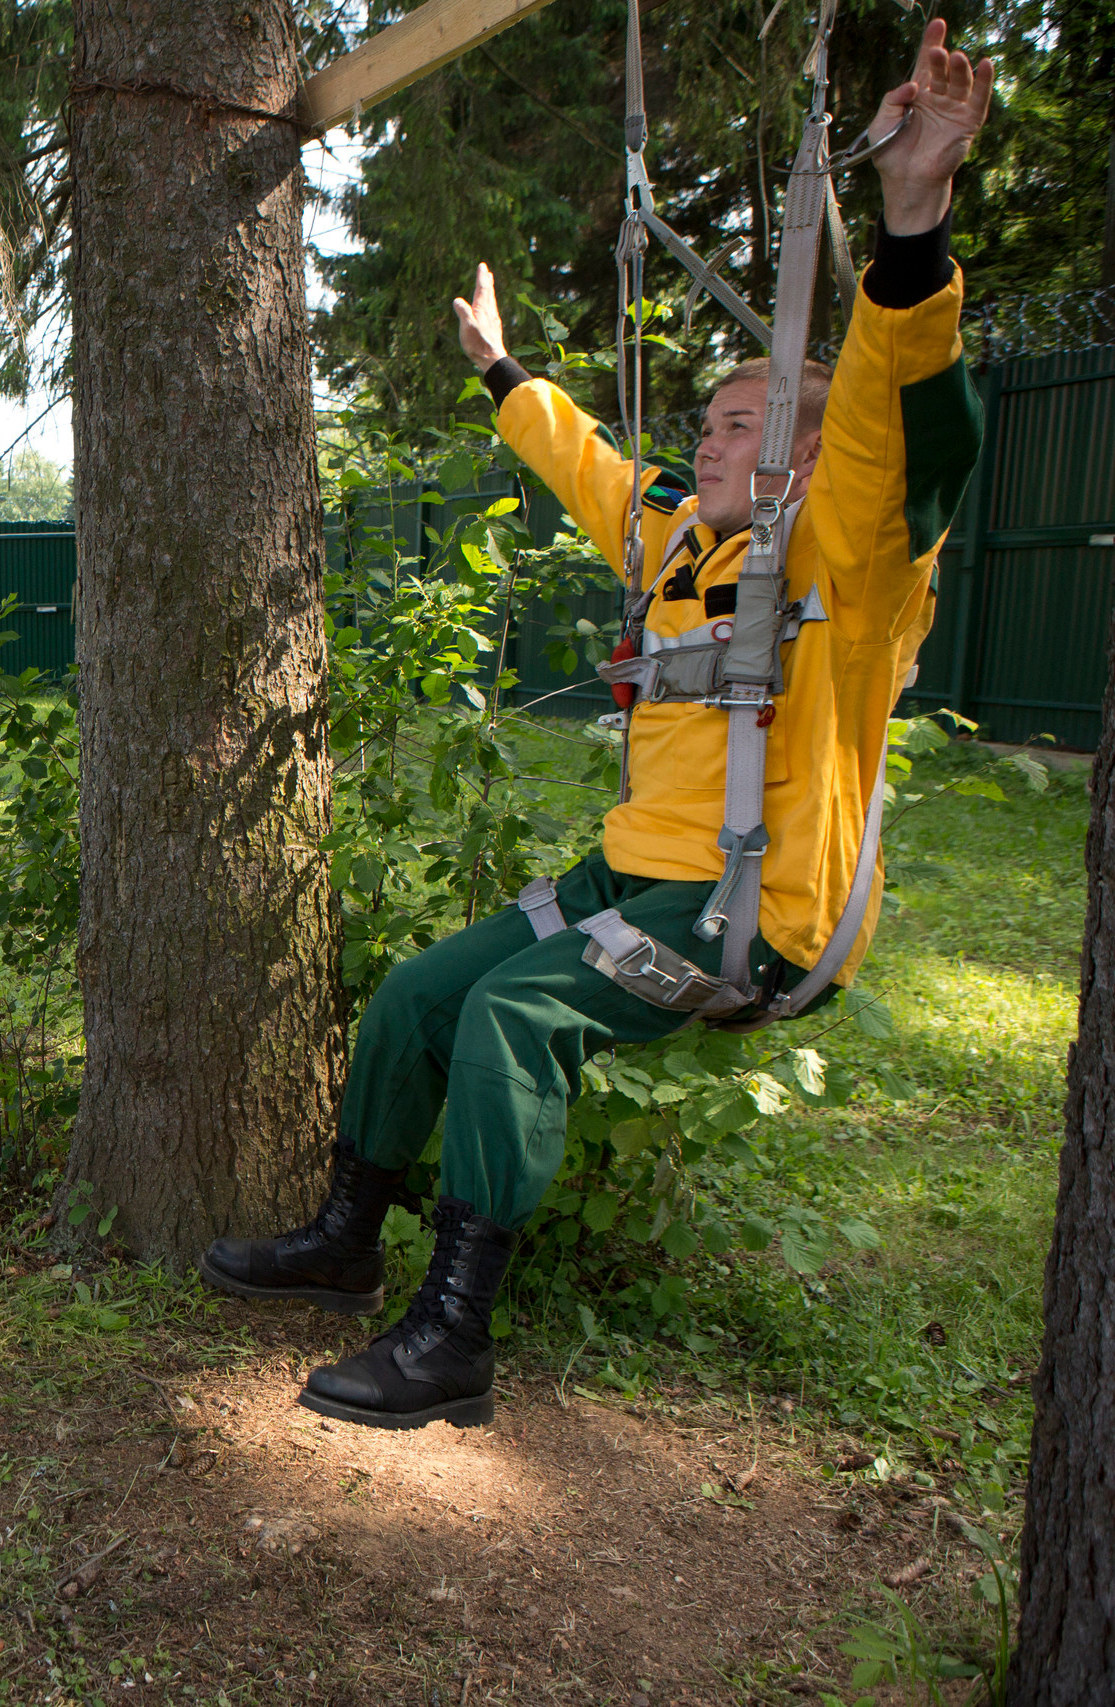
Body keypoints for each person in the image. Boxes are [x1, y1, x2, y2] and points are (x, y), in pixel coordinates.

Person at [199, 22, 993, 1431]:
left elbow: (905, 426)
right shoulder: (679, 538)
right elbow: (586, 460)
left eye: (744, 422)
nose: (709, 435)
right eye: (709, 417)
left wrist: (914, 218)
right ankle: (343, 1235)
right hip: (636, 874)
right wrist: (504, 372)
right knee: (415, 996)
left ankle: (454, 1333)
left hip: (753, 906)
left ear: (808, 457)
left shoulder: (849, 557)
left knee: (513, 1016)